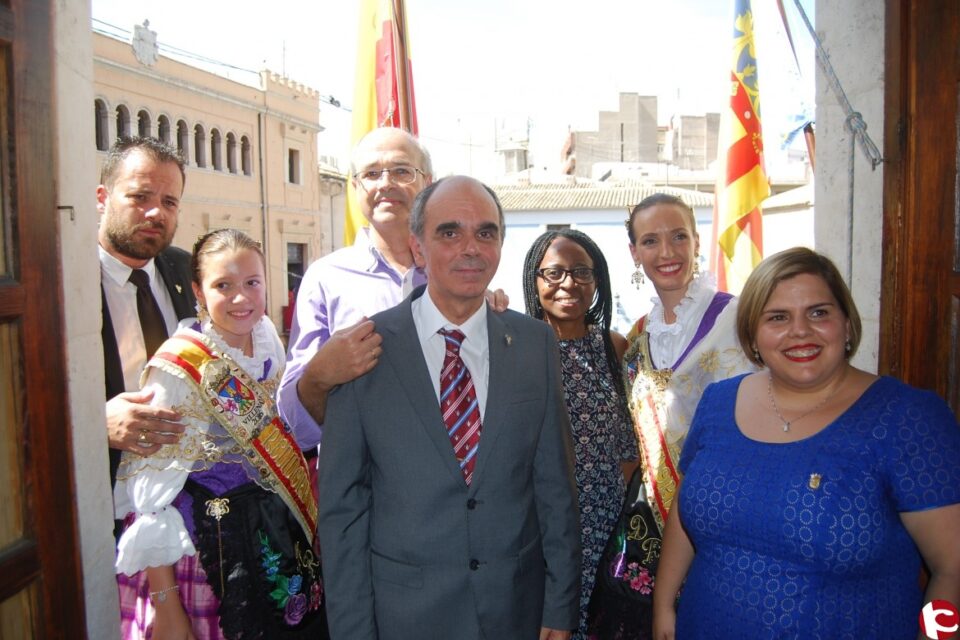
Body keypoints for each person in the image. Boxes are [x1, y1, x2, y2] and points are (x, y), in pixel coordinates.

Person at [317, 176, 582, 640]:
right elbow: (344, 514)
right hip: (404, 619)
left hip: (514, 612)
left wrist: (560, 609)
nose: (471, 248)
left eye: (486, 232)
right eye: (449, 232)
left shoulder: (534, 344)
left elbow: (555, 489)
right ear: (417, 248)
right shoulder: (362, 351)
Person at [653, 247, 960, 639]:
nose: (800, 330)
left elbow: (952, 570)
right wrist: (663, 606)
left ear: (846, 324)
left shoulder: (907, 419)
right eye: (778, 317)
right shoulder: (717, 402)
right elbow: (686, 508)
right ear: (752, 334)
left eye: (818, 313)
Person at [114, 229, 328, 640]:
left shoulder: (266, 338)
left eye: (252, 282)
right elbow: (149, 498)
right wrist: (166, 605)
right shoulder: (177, 368)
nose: (241, 298)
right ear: (198, 290)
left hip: (275, 540)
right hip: (209, 556)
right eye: (223, 286)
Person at [590, 194, 753, 638]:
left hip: (725, 513)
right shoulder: (638, 335)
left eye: (679, 236)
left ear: (697, 241)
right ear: (634, 252)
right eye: (650, 240)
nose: (667, 252)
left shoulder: (741, 318)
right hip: (649, 521)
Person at [522, 229, 638, 639]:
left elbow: (629, 443)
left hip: (606, 526)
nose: (568, 283)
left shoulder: (615, 347)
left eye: (581, 272)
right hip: (540, 528)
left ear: (597, 280)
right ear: (534, 279)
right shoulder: (517, 345)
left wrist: (619, 521)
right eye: (554, 273)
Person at [99, 136, 195, 486]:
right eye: (140, 197)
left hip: (185, 488)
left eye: (169, 202)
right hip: (101, 490)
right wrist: (94, 425)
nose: (156, 213)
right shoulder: (58, 283)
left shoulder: (189, 271)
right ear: (102, 199)